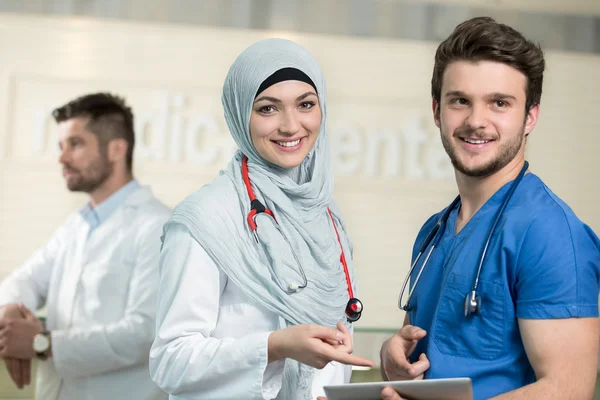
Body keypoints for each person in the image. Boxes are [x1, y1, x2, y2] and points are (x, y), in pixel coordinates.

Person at [379, 16, 600, 400]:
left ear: (530, 116)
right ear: (437, 111)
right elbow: (432, 358)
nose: (476, 121)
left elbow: (568, 389)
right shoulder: (434, 232)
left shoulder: (550, 235)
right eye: (460, 101)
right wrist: (394, 359)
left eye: (499, 103)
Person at [149, 38, 374, 400]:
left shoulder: (327, 217)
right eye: (268, 109)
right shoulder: (206, 218)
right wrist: (274, 346)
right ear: (240, 115)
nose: (291, 126)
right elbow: (170, 361)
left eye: (305, 105)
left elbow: (333, 347)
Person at [0, 93, 170, 400]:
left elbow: (146, 332)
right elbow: (24, 280)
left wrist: (42, 343)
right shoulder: (75, 226)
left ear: (117, 149)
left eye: (75, 144)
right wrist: (10, 314)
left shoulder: (158, 227)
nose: (62, 158)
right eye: (61, 146)